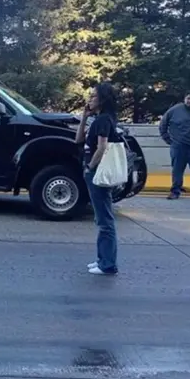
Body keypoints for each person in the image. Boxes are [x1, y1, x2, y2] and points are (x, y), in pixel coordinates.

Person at [75, 82, 120, 276]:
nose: (89, 99)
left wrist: (89, 167)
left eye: (93, 96)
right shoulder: (99, 119)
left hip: (98, 172)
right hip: (94, 171)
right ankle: (103, 260)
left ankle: (107, 264)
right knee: (101, 218)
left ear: (102, 99)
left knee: (105, 220)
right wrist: (84, 118)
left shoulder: (103, 120)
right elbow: (78, 141)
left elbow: (102, 148)